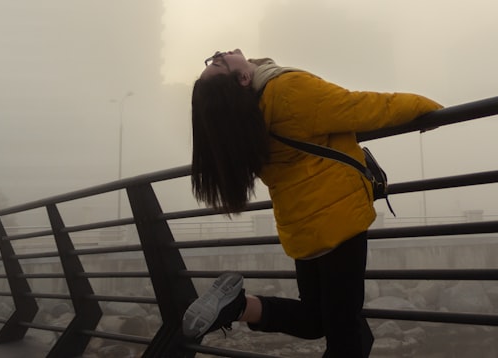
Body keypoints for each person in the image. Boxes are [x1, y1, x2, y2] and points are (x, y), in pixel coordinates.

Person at [182, 49, 442, 357]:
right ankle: (237, 307)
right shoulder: (287, 91)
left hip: (301, 228)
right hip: (337, 219)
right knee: (346, 336)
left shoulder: (249, 116)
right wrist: (428, 108)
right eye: (217, 61)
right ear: (243, 78)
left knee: (316, 319)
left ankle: (238, 308)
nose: (221, 53)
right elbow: (362, 107)